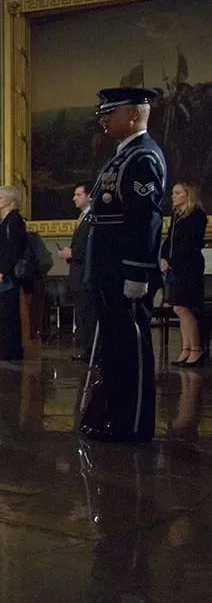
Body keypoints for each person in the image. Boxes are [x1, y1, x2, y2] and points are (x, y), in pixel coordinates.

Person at [82, 86, 167, 443]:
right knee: (116, 349)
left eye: (110, 113)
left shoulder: (143, 157)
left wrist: (136, 271)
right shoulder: (123, 155)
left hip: (124, 270)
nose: (103, 118)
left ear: (133, 115)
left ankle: (132, 425)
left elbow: (144, 220)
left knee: (131, 349)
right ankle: (115, 419)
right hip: (108, 268)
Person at [161, 181, 207, 368]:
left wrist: (171, 261)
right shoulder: (177, 215)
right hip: (176, 267)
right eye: (173, 192)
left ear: (188, 195)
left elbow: (189, 243)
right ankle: (186, 348)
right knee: (178, 307)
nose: (173, 195)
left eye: (177, 192)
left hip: (189, 266)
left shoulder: (197, 215)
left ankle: (196, 349)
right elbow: (169, 240)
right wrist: (164, 258)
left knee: (183, 307)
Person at [58, 182, 96, 362]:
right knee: (83, 317)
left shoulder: (93, 218)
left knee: (89, 316)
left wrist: (73, 253)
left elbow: (93, 247)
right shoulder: (84, 218)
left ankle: (93, 352)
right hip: (78, 274)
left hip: (85, 276)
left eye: (78, 194)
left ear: (89, 196)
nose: (74, 198)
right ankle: (87, 350)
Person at [0, 185, 27, 361]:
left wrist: (1, 272)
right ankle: (5, 349)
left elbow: (13, 248)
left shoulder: (14, 219)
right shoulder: (5, 220)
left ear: (10, 200)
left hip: (7, 274)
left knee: (9, 312)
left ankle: (11, 351)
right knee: (3, 311)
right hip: (0, 273)